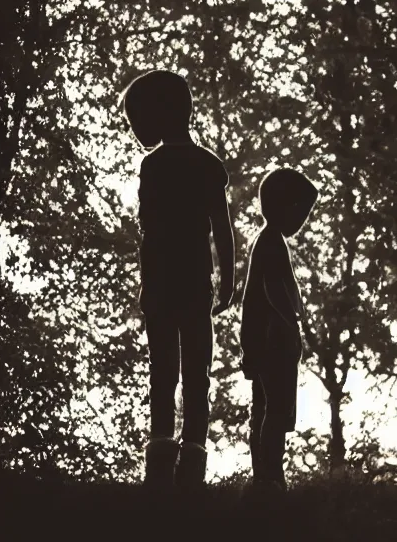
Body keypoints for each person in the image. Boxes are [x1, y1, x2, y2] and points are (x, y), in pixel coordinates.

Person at [121, 69, 234, 487]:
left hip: (164, 284)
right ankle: (191, 462)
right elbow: (221, 229)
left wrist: (147, 285)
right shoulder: (207, 165)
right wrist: (228, 278)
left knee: (163, 371)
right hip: (193, 282)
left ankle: (162, 460)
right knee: (195, 372)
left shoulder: (152, 167)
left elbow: (149, 233)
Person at [240, 167, 317, 488]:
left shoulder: (268, 241)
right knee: (275, 409)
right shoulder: (271, 242)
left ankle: (266, 477)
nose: (303, 220)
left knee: (265, 408)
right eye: (301, 210)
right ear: (285, 206)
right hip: (274, 342)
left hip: (266, 341)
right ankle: (270, 476)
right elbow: (273, 290)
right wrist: (293, 321)